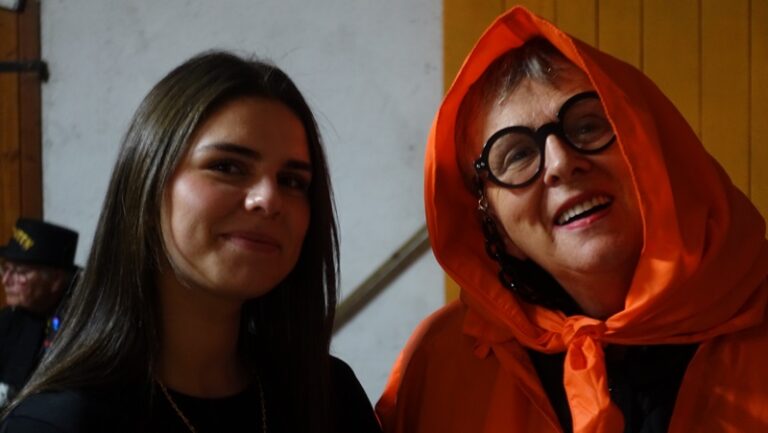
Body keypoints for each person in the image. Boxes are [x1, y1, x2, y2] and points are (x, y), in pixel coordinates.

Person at [377, 6, 768, 433]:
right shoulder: (441, 363)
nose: (561, 163)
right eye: (517, 155)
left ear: (652, 148)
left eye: (586, 127)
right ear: (496, 228)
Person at [0, 51, 382, 433]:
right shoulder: (58, 423)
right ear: (147, 184)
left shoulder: (330, 396)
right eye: (227, 166)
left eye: (292, 181)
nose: (268, 199)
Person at [0, 218, 79, 407]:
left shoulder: (80, 325)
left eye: (19, 272)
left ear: (55, 280)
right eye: (5, 269)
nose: (6, 280)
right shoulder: (12, 317)